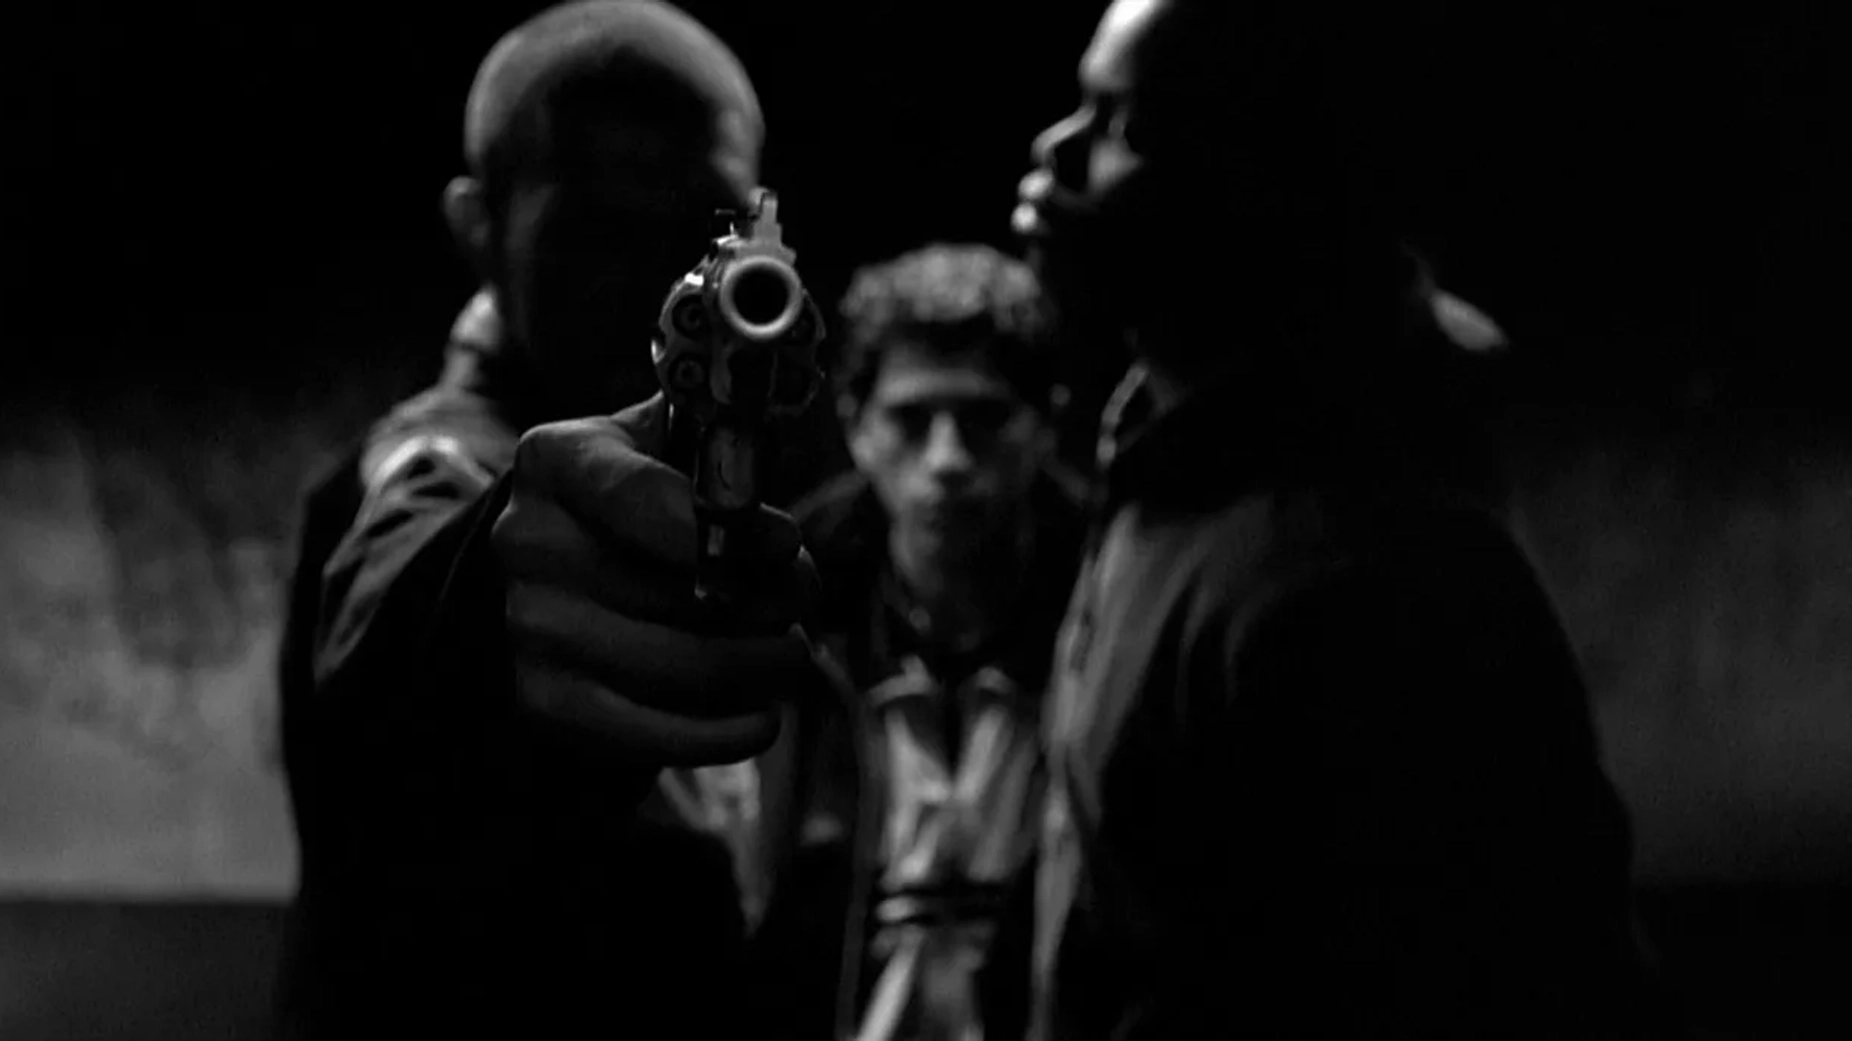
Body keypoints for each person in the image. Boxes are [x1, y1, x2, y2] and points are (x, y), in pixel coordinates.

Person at [1010, 1, 1676, 1037]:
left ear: (1261, 187)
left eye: (1123, 126)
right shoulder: (1166, 462)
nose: (1052, 155)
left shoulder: (1367, 580)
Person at [273, 3, 820, 1037]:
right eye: (598, 227)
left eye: (701, 227)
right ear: (478, 229)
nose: (659, 275)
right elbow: (405, 589)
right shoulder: (416, 466)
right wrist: (484, 604)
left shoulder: (753, 486)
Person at [742, 244, 1088, 1041]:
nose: (947, 460)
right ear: (857, 427)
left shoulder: (1106, 606)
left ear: (1045, 424)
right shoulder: (782, 611)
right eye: (911, 419)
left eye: (984, 418)